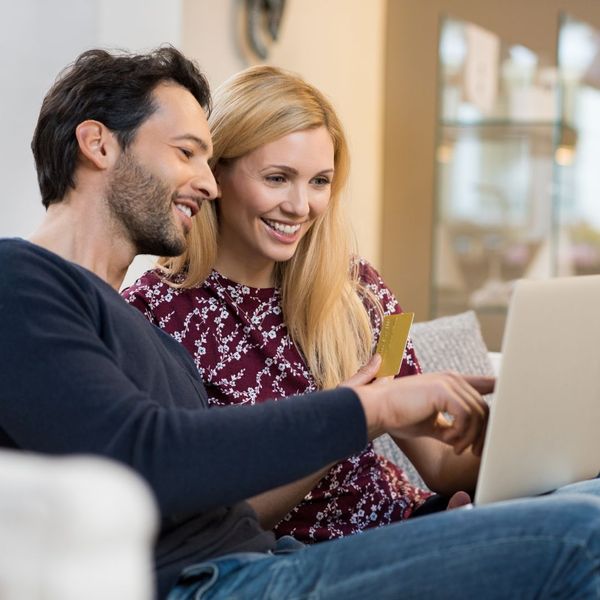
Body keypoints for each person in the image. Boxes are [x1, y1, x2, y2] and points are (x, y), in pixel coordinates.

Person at [1, 46, 600, 600]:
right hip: (226, 577)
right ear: (98, 145)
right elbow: (150, 458)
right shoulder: (26, 278)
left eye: (319, 182)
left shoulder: (145, 337)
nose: (206, 184)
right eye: (188, 153)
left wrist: (526, 432)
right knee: (583, 531)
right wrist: (367, 410)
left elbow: (189, 477)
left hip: (269, 559)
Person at [122, 65, 471, 543]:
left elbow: (441, 464)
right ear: (215, 172)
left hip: (413, 524)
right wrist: (348, 417)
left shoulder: (355, 286)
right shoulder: (154, 314)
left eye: (319, 181)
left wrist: (510, 438)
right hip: (310, 561)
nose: (301, 206)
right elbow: (215, 520)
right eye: (277, 178)